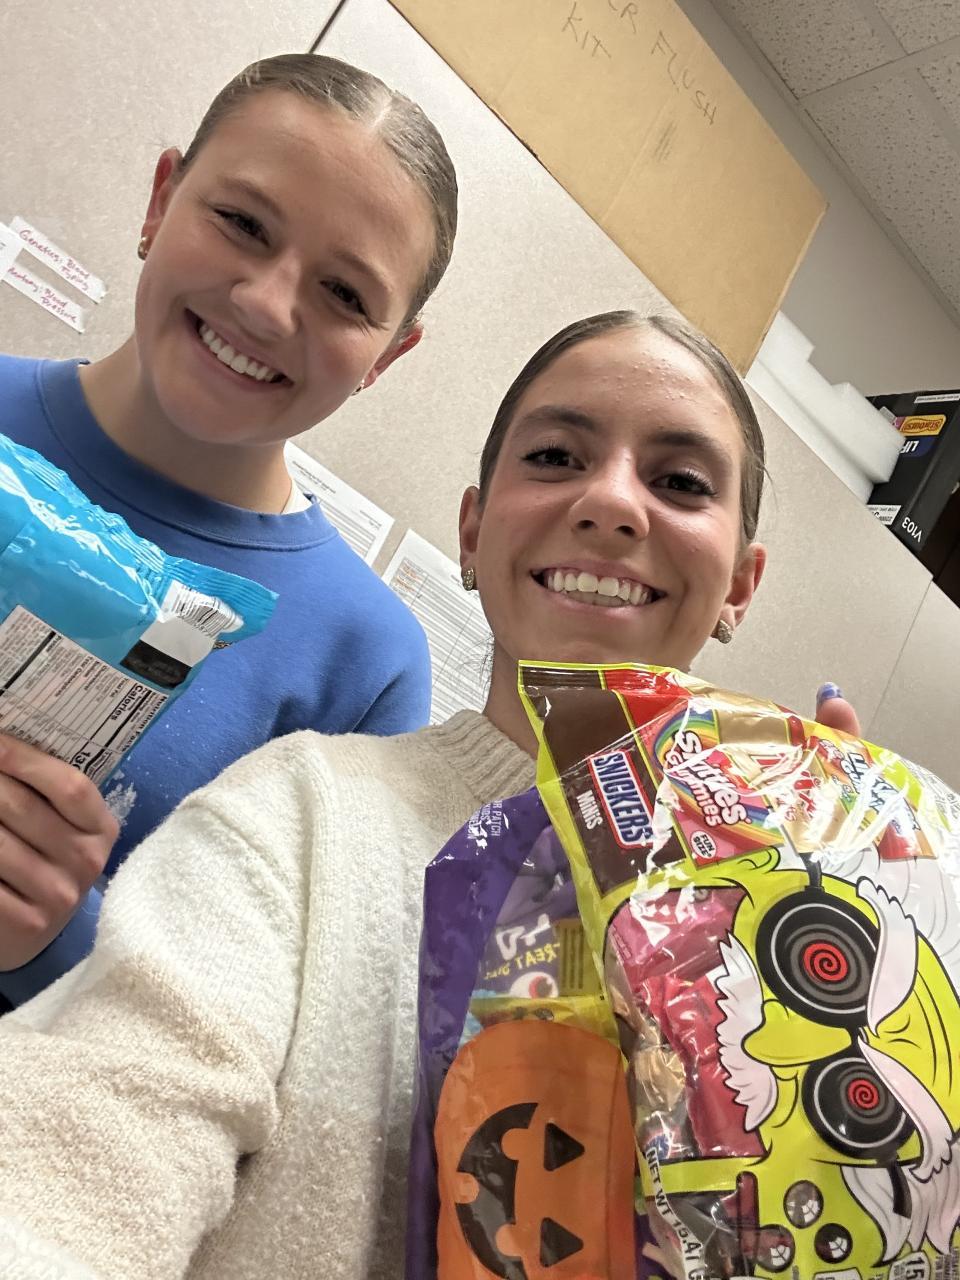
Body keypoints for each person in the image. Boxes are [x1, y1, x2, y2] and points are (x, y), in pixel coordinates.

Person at [0, 311, 859, 1279]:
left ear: (740, 583)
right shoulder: (300, 820)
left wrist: (869, 956)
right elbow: (87, 1138)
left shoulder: (791, 905)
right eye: (556, 456)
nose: (614, 502)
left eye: (682, 482)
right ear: (472, 530)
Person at [0, 53, 459, 1005]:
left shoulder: (366, 665)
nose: (265, 304)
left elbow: (282, 1039)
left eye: (346, 295)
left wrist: (56, 943)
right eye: (243, 224)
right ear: (161, 199)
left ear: (388, 355)